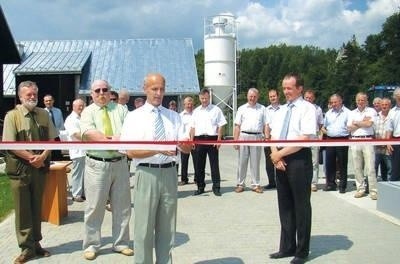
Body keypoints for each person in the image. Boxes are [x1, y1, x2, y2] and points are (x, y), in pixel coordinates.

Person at [120, 73, 191, 264]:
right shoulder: (134, 117)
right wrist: (157, 148)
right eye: (154, 89)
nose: (159, 93)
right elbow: (130, 151)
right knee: (143, 229)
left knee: (167, 228)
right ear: (145, 89)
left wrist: (186, 145)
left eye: (161, 89)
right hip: (146, 173)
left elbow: (182, 146)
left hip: (169, 173)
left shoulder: (174, 116)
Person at [2, 81, 57, 263]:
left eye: (34, 94)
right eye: (28, 95)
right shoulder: (12, 116)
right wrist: (32, 158)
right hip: (20, 170)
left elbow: (52, 139)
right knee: (23, 209)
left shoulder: (43, 114)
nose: (32, 97)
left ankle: (36, 244)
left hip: (39, 169)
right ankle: (26, 249)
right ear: (20, 96)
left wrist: (43, 156)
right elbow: (10, 145)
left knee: (36, 208)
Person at [79, 80, 133, 261]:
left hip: (120, 163)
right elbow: (88, 133)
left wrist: (119, 139)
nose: (101, 93)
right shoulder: (87, 111)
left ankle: (121, 243)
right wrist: (114, 140)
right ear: (91, 93)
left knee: (123, 206)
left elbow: (129, 132)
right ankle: (91, 245)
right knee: (94, 207)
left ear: (110, 92)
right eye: (97, 90)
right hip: (97, 164)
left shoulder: (121, 110)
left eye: (105, 90)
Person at [269, 73, 316, 264]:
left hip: (298, 160)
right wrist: (275, 155)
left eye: (289, 88)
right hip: (279, 160)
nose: (285, 91)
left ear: (299, 88)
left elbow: (304, 139)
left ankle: (302, 250)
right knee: (285, 205)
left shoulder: (307, 109)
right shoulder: (279, 111)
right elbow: (272, 135)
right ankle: (287, 247)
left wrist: (280, 154)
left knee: (301, 206)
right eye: (284, 88)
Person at [190, 88, 227, 196]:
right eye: (202, 98)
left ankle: (216, 187)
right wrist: (192, 141)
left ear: (209, 97)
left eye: (206, 98)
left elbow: (221, 125)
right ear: (199, 98)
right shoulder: (196, 111)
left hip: (212, 139)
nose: (204, 100)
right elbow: (192, 127)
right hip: (198, 139)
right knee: (199, 165)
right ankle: (200, 186)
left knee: (214, 164)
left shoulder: (216, 110)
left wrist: (219, 139)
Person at [233, 88, 267, 194]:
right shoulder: (241, 108)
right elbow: (237, 125)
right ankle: (240, 184)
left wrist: (266, 137)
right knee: (242, 162)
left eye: (254, 96)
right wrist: (235, 140)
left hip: (257, 137)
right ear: (247, 96)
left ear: (257, 97)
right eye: (250, 96)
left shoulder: (262, 109)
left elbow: (266, 124)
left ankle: (255, 184)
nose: (252, 98)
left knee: (255, 162)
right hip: (243, 136)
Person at [347, 92, 378, 200]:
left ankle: (373, 191)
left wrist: (356, 123)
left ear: (366, 101)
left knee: (370, 168)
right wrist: (362, 122)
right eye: (358, 100)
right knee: (357, 168)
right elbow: (349, 128)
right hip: (355, 141)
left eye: (363, 100)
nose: (360, 102)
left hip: (367, 140)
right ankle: (360, 189)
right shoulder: (351, 113)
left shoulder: (372, 111)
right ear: (356, 101)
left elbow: (369, 124)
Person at [321, 94, 350, 193]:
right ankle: (330, 184)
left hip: (343, 139)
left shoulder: (348, 113)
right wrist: (326, 132)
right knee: (330, 163)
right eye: (331, 102)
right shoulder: (328, 113)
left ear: (340, 101)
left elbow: (350, 127)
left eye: (335, 102)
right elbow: (323, 126)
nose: (333, 104)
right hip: (330, 139)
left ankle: (342, 186)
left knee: (342, 163)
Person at [64, 98, 86, 202]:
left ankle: (83, 193)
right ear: (73, 107)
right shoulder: (70, 119)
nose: (81, 108)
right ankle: (76, 194)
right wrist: (90, 139)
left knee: (85, 174)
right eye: (79, 106)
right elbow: (75, 134)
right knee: (78, 173)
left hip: (86, 151)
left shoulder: (84, 117)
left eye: (82, 106)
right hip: (77, 151)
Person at [304, 89, 324, 192]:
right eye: (306, 97)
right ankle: (303, 182)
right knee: (302, 161)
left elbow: (320, 124)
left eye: (310, 98)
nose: (308, 99)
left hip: (314, 137)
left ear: (313, 98)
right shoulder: (300, 108)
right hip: (302, 137)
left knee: (314, 161)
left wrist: (318, 136)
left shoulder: (318, 109)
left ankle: (313, 183)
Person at [264, 89, 281, 190]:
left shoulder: (284, 109)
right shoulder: (266, 110)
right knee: (269, 162)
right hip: (269, 139)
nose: (272, 98)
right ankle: (271, 182)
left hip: (280, 139)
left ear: (278, 96)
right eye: (270, 97)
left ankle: (281, 182)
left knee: (280, 160)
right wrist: (267, 138)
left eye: (274, 96)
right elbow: (266, 124)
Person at [179, 96, 197, 185]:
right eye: (187, 104)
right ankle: (184, 179)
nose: (189, 105)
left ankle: (197, 178)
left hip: (195, 141)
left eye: (191, 103)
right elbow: (179, 129)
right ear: (184, 105)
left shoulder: (197, 114)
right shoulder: (180, 116)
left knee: (197, 161)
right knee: (184, 161)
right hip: (184, 141)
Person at [374, 98, 392, 181]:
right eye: (383, 105)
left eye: (386, 105)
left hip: (389, 148)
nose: (384, 106)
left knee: (390, 168)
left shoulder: (393, 115)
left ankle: (389, 187)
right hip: (376, 148)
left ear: (390, 106)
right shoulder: (375, 116)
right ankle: (372, 188)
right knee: (373, 168)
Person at [43, 94, 65, 160]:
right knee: (48, 156)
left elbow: (61, 124)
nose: (48, 102)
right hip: (47, 137)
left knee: (57, 155)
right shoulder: (42, 112)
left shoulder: (58, 111)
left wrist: (59, 133)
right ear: (44, 102)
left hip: (57, 136)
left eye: (50, 100)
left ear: (53, 101)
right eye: (46, 101)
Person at [386, 87, 400, 181]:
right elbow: (389, 128)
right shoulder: (392, 112)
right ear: (395, 97)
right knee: (395, 169)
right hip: (396, 141)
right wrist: (388, 142)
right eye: (398, 97)